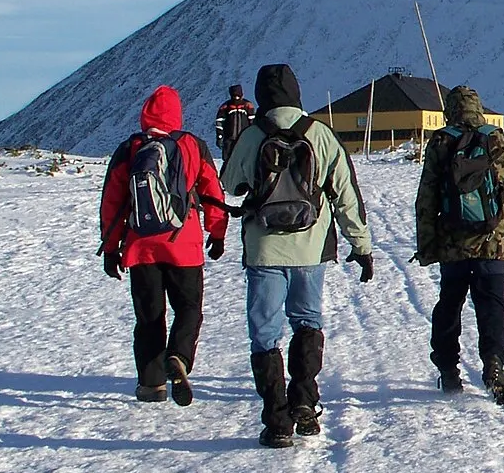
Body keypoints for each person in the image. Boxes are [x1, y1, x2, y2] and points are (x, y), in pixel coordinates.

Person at [219, 63, 374, 447]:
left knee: (265, 334)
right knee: (307, 321)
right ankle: (304, 401)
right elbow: (346, 195)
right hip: (310, 247)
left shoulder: (254, 135)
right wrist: (362, 246)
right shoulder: (319, 134)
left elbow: (230, 185)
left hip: (263, 248)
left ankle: (276, 420)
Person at [98, 85, 228, 405]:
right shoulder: (191, 145)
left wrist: (111, 247)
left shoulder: (130, 149)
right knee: (189, 308)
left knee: (149, 317)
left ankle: (151, 384)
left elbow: (112, 203)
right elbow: (212, 191)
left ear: (145, 114)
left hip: (141, 248)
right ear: (177, 115)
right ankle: (179, 358)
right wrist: (218, 231)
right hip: (183, 246)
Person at [414, 85, 504, 403]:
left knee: (449, 304)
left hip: (453, 243)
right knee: (492, 304)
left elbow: (426, 198)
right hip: (493, 243)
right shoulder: (501, 141)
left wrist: (427, 246)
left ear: (450, 111)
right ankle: (494, 363)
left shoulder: (440, 142)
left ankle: (448, 369)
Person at [214, 83, 257, 161]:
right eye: (234, 96)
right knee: (231, 161)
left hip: (242, 139)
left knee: (242, 160)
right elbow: (219, 122)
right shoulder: (226, 107)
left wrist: (219, 137)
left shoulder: (247, 105)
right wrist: (219, 136)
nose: (236, 98)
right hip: (232, 139)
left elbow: (253, 122)